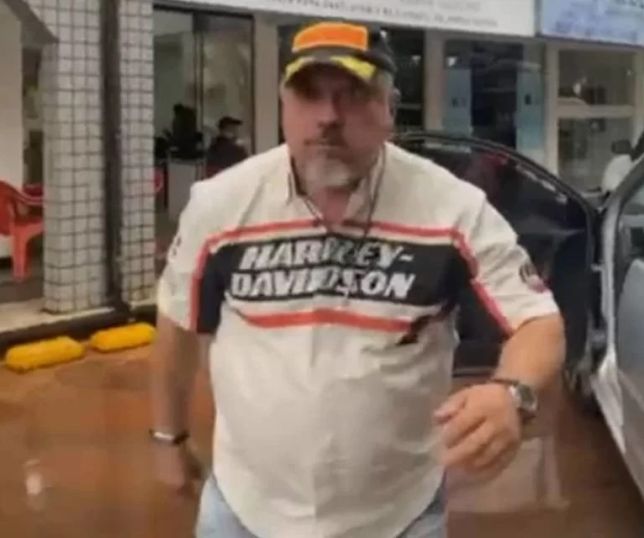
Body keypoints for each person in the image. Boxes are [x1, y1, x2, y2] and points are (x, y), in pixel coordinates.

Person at [150, 20, 565, 538]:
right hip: (243, 508)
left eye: (352, 94)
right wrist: (167, 437)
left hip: (400, 514)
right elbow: (177, 324)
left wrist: (511, 394)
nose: (328, 116)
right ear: (284, 105)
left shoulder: (451, 208)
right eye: (309, 94)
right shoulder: (222, 205)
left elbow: (539, 321)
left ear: (390, 109)